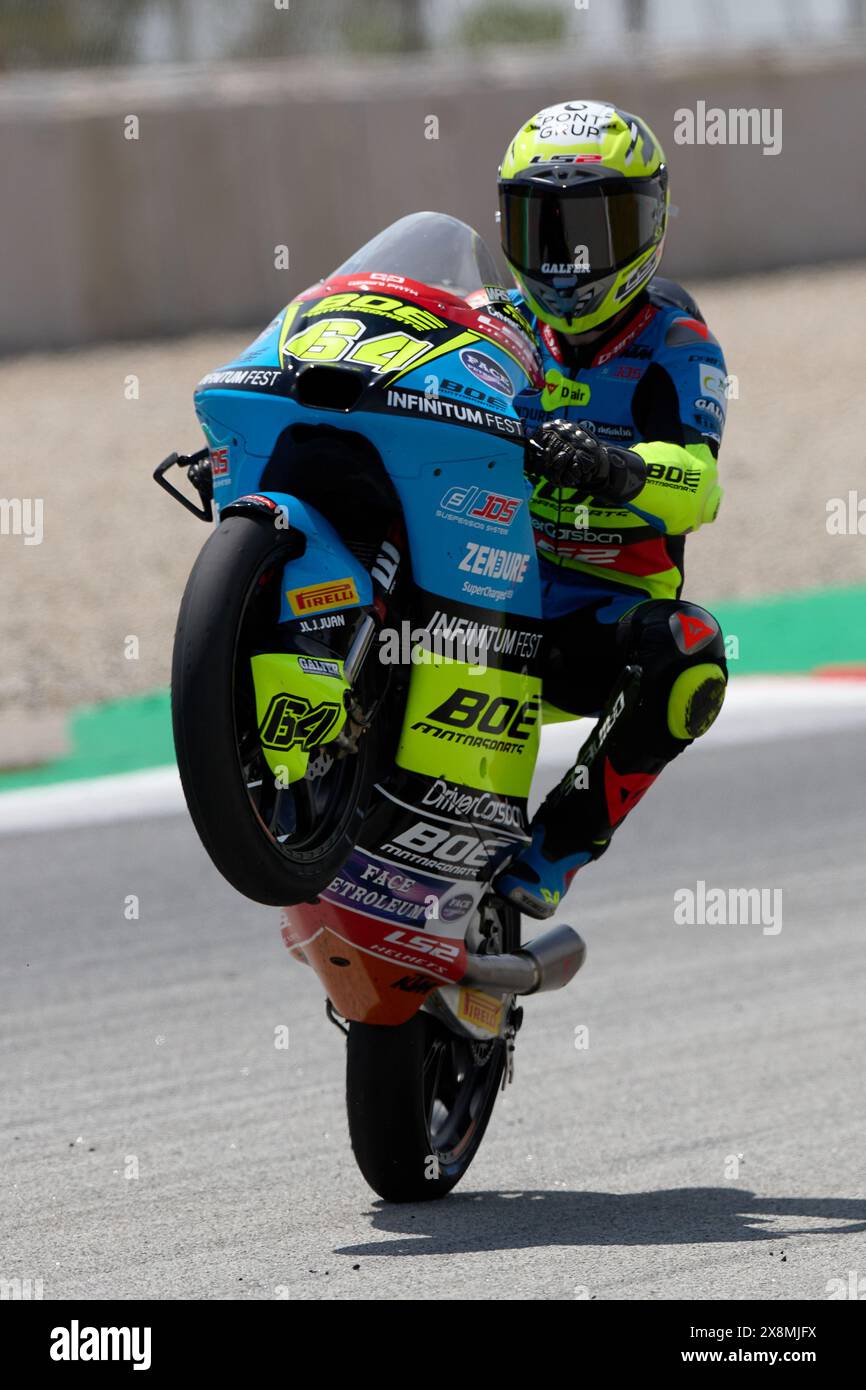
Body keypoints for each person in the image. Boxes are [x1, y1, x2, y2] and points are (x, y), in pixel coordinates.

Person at [492, 100, 729, 920]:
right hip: (476, 593)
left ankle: (555, 849)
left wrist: (614, 467)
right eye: (542, 230)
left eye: (587, 231)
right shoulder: (497, 326)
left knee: (690, 651)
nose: (563, 259)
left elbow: (700, 484)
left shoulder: (676, 341)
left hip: (591, 629)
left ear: (647, 224)